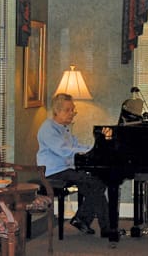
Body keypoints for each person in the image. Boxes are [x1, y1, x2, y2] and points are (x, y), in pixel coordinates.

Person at [37, 93, 112, 237]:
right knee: (94, 183)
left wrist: (93, 150)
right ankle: (104, 227)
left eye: (73, 110)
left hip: (66, 169)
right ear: (56, 111)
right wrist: (88, 152)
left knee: (99, 182)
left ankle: (82, 219)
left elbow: (76, 145)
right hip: (53, 172)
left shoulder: (64, 127)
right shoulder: (48, 129)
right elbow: (63, 150)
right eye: (68, 110)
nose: (72, 113)